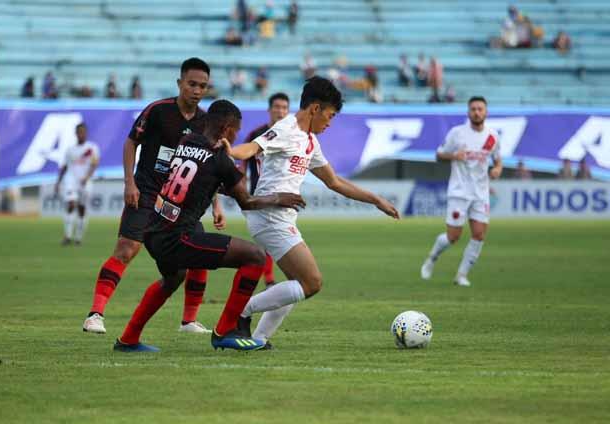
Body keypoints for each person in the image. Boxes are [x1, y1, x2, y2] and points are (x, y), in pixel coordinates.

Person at [113, 100, 306, 353]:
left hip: (154, 228)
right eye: (236, 130)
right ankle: (225, 331)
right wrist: (280, 198)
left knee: (172, 278)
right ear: (227, 128)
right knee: (255, 257)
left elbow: (201, 177)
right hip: (177, 237)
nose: (236, 136)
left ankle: (128, 339)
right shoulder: (220, 160)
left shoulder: (187, 141)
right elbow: (246, 201)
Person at [223, 77, 400, 347]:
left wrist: (376, 200)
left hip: (280, 217)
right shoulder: (286, 128)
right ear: (315, 109)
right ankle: (241, 313)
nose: (330, 123)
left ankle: (258, 338)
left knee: (296, 285)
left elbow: (335, 182)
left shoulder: (310, 142)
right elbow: (253, 148)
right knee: (312, 282)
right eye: (329, 116)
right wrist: (231, 150)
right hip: (269, 215)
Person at [83, 58, 225, 335]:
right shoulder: (158, 111)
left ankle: (189, 321)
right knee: (126, 249)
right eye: (192, 84)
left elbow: (209, 165)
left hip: (181, 201)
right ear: (180, 83)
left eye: (202, 86)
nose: (196, 90)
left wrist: (216, 203)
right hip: (146, 192)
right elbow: (130, 142)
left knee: (200, 254)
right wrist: (129, 183)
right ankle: (95, 314)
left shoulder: (205, 122)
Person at [420, 96, 503, 287]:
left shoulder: (493, 136)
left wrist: (497, 169)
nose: (476, 112)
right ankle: (432, 257)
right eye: (473, 109)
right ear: (468, 112)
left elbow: (498, 160)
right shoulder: (457, 134)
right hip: (459, 191)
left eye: (480, 109)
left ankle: (461, 275)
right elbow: (439, 155)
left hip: (481, 193)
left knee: (479, 234)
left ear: (486, 112)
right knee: (453, 237)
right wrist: (453, 155)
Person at [238, 92, 290, 287]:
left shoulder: (291, 137)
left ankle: (271, 279)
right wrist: (241, 184)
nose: (280, 111)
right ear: (269, 109)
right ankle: (270, 280)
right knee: (267, 239)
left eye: (284, 108)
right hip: (260, 195)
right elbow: (243, 161)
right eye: (277, 107)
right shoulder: (256, 135)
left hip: (282, 195)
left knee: (275, 237)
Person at [54, 123, 99, 246]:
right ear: (76, 134)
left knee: (82, 209)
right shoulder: (70, 150)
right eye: (79, 132)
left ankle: (78, 238)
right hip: (71, 181)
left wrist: (87, 177)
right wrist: (58, 182)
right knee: (71, 204)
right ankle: (68, 236)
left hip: (85, 182)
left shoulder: (91, 148)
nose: (81, 135)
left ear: (86, 133)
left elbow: (95, 164)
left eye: (83, 132)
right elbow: (65, 166)